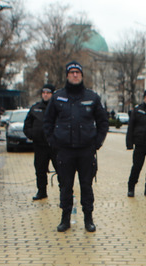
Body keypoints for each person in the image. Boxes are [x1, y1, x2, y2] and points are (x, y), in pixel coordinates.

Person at [43, 61, 109, 232]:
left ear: (82, 76)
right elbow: (47, 122)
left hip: (86, 150)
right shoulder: (58, 97)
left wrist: (97, 142)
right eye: (71, 72)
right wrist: (53, 142)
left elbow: (103, 122)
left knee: (86, 186)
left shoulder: (91, 97)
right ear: (67, 75)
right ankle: (65, 219)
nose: (74, 75)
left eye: (77, 72)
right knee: (65, 186)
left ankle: (89, 218)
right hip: (65, 151)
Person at [24, 83, 56, 200]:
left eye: (48, 93)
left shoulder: (57, 108)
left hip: (54, 145)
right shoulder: (35, 108)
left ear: (52, 94)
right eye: (43, 93)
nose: (45, 95)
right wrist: (32, 135)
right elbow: (27, 125)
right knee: (40, 170)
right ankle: (41, 191)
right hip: (40, 145)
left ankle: (64, 192)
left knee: (62, 170)